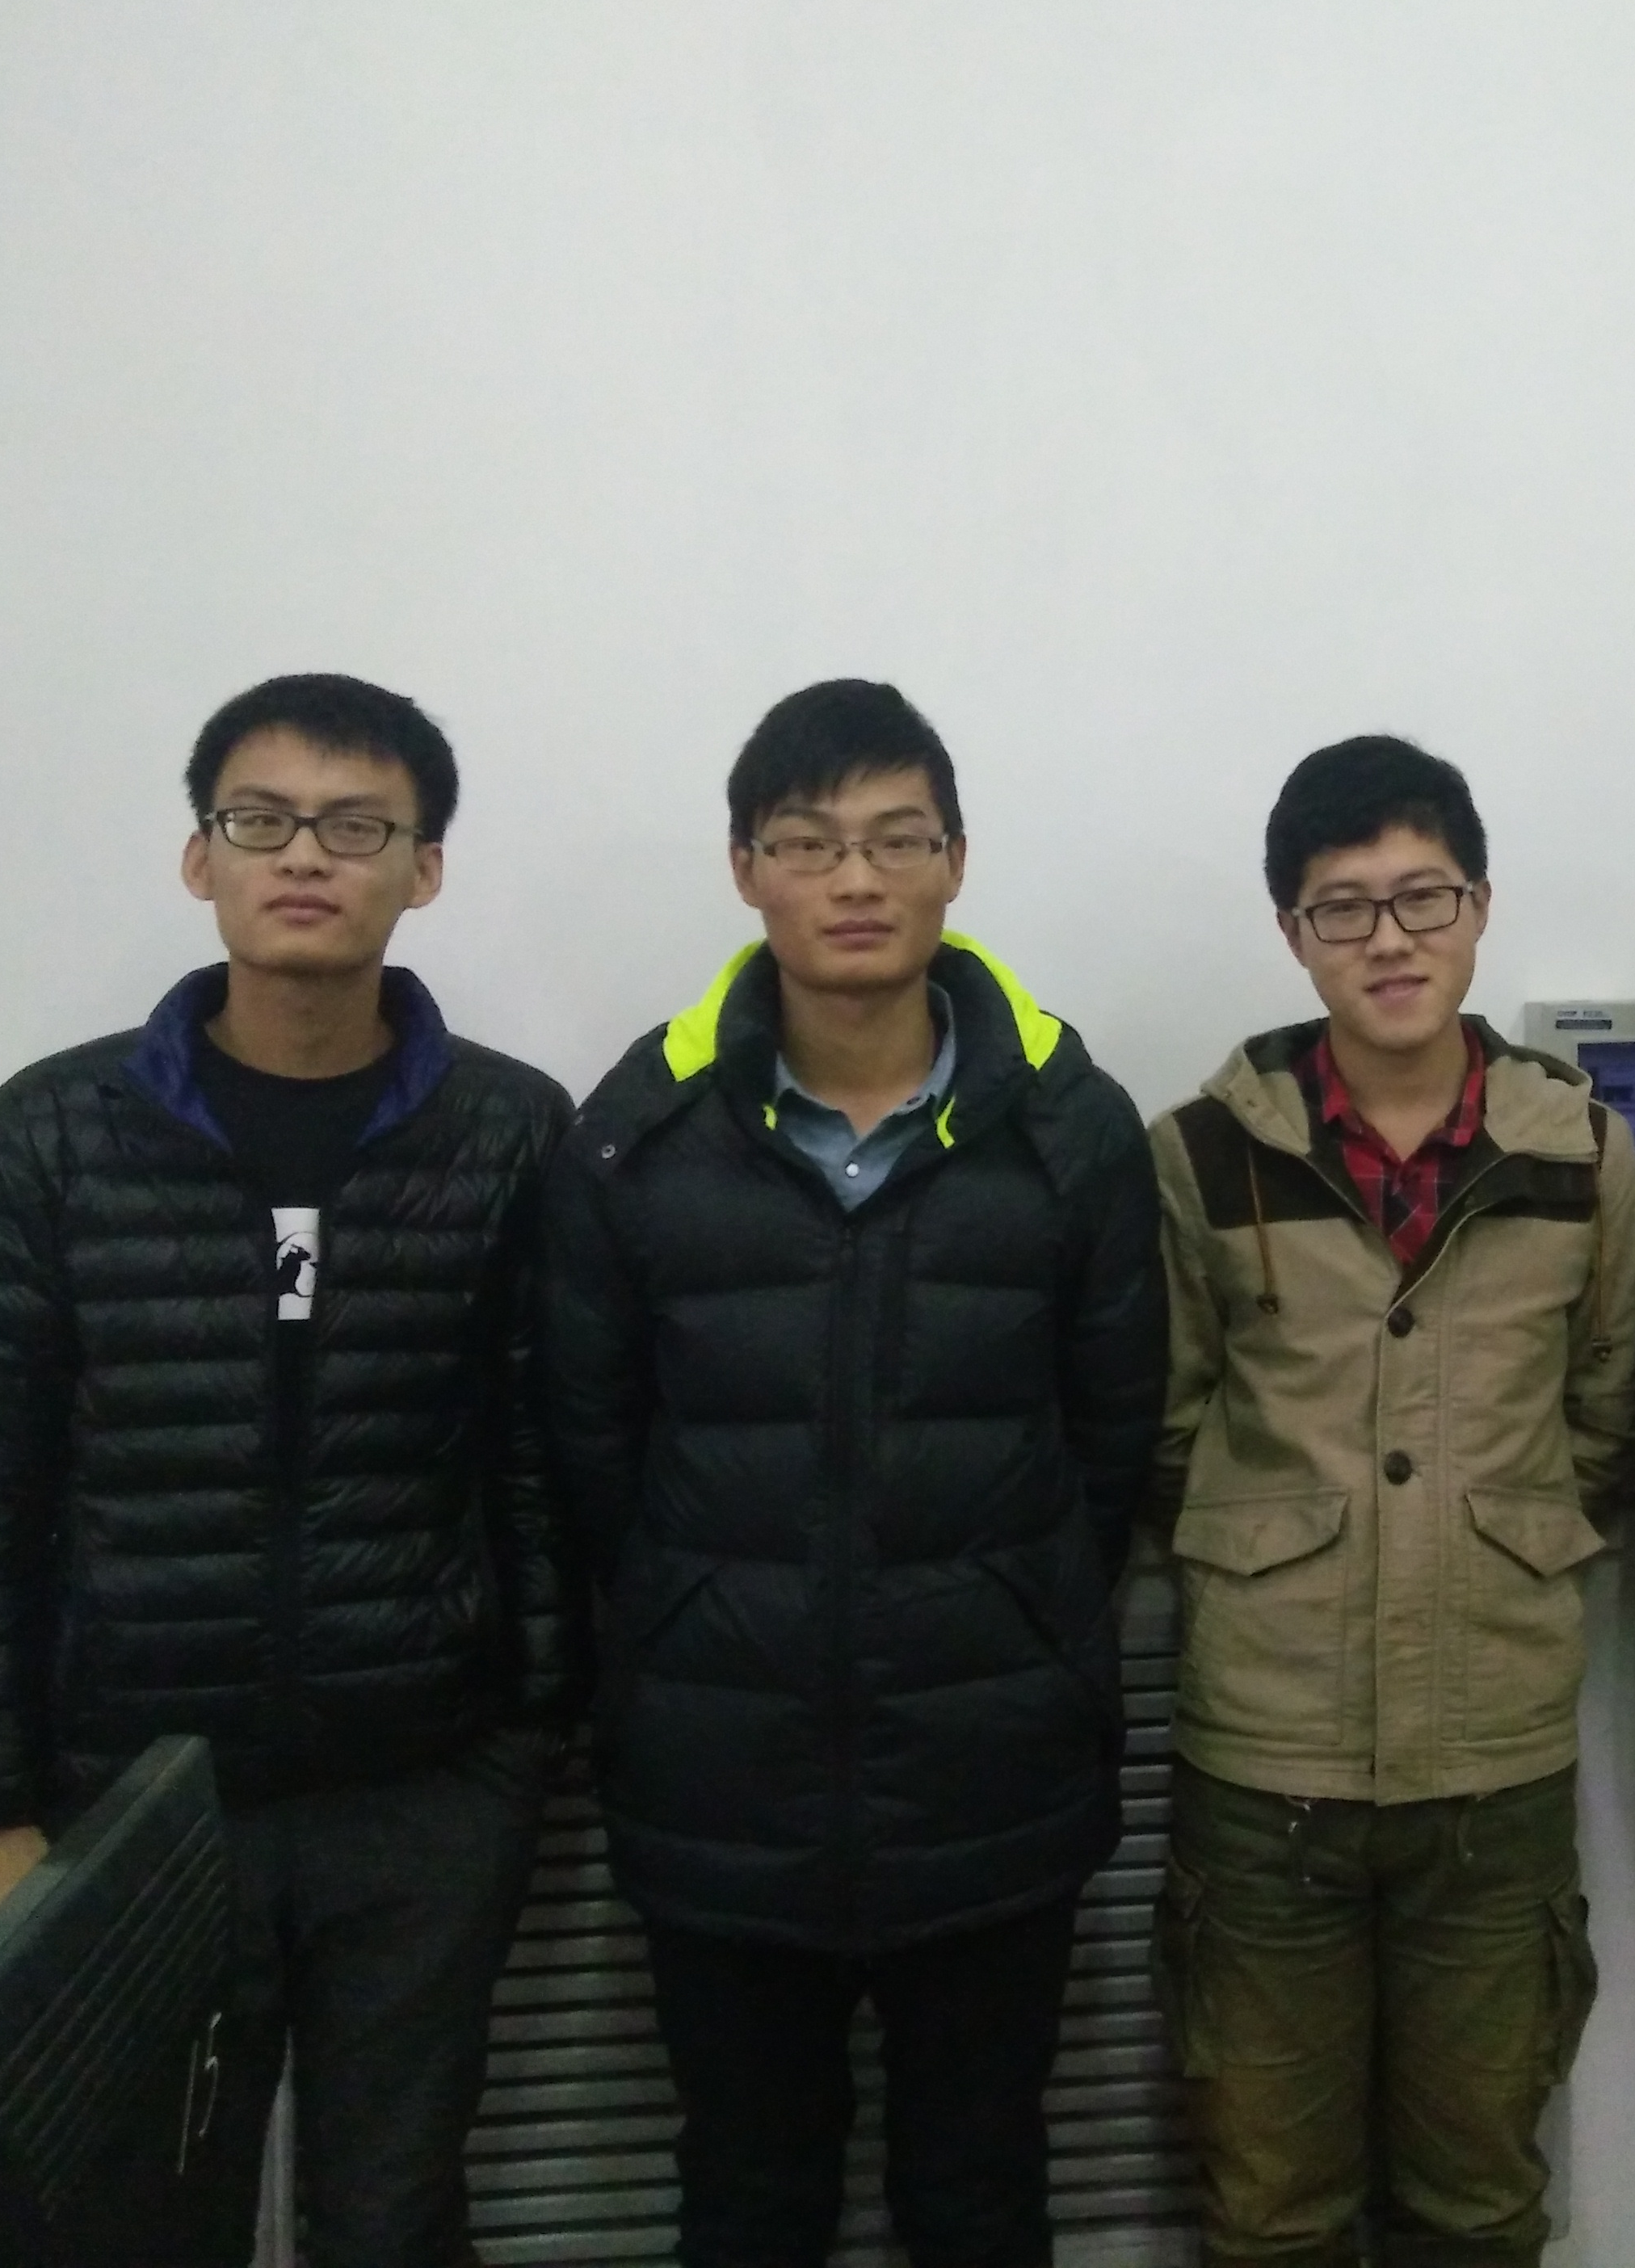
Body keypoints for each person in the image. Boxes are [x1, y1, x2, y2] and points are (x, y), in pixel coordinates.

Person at [0, 673, 574, 2268]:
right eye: (261, 819)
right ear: (199, 856)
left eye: (357, 827)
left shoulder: (507, 1130)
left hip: (420, 1795)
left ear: (424, 869)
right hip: (136, 1803)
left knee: (394, 2219)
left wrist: (529, 1737)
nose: (306, 856)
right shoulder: (59, 1130)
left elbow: (544, 1457)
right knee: (137, 2222)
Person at [543, 678, 1164, 2268]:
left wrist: (1015, 1612)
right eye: (810, 843)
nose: (857, 879)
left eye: (899, 839)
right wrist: (693, 1615)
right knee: (750, 2201)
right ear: (745, 870)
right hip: (721, 1777)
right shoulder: (637, 1137)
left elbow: (1112, 1439)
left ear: (956, 861)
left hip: (993, 1771)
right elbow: (592, 1453)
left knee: (980, 2194)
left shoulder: (1069, 1131)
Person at [1146, 734, 1635, 2268]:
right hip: (1267, 1764)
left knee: (1478, 2207)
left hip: (1495, 1764)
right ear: (1293, 933)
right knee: (1269, 2210)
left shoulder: (1581, 1151)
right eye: (1344, 908)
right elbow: (1165, 1424)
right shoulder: (1202, 1154)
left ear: (1479, 907)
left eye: (1424, 898)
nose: (1390, 939)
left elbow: (1607, 1416)